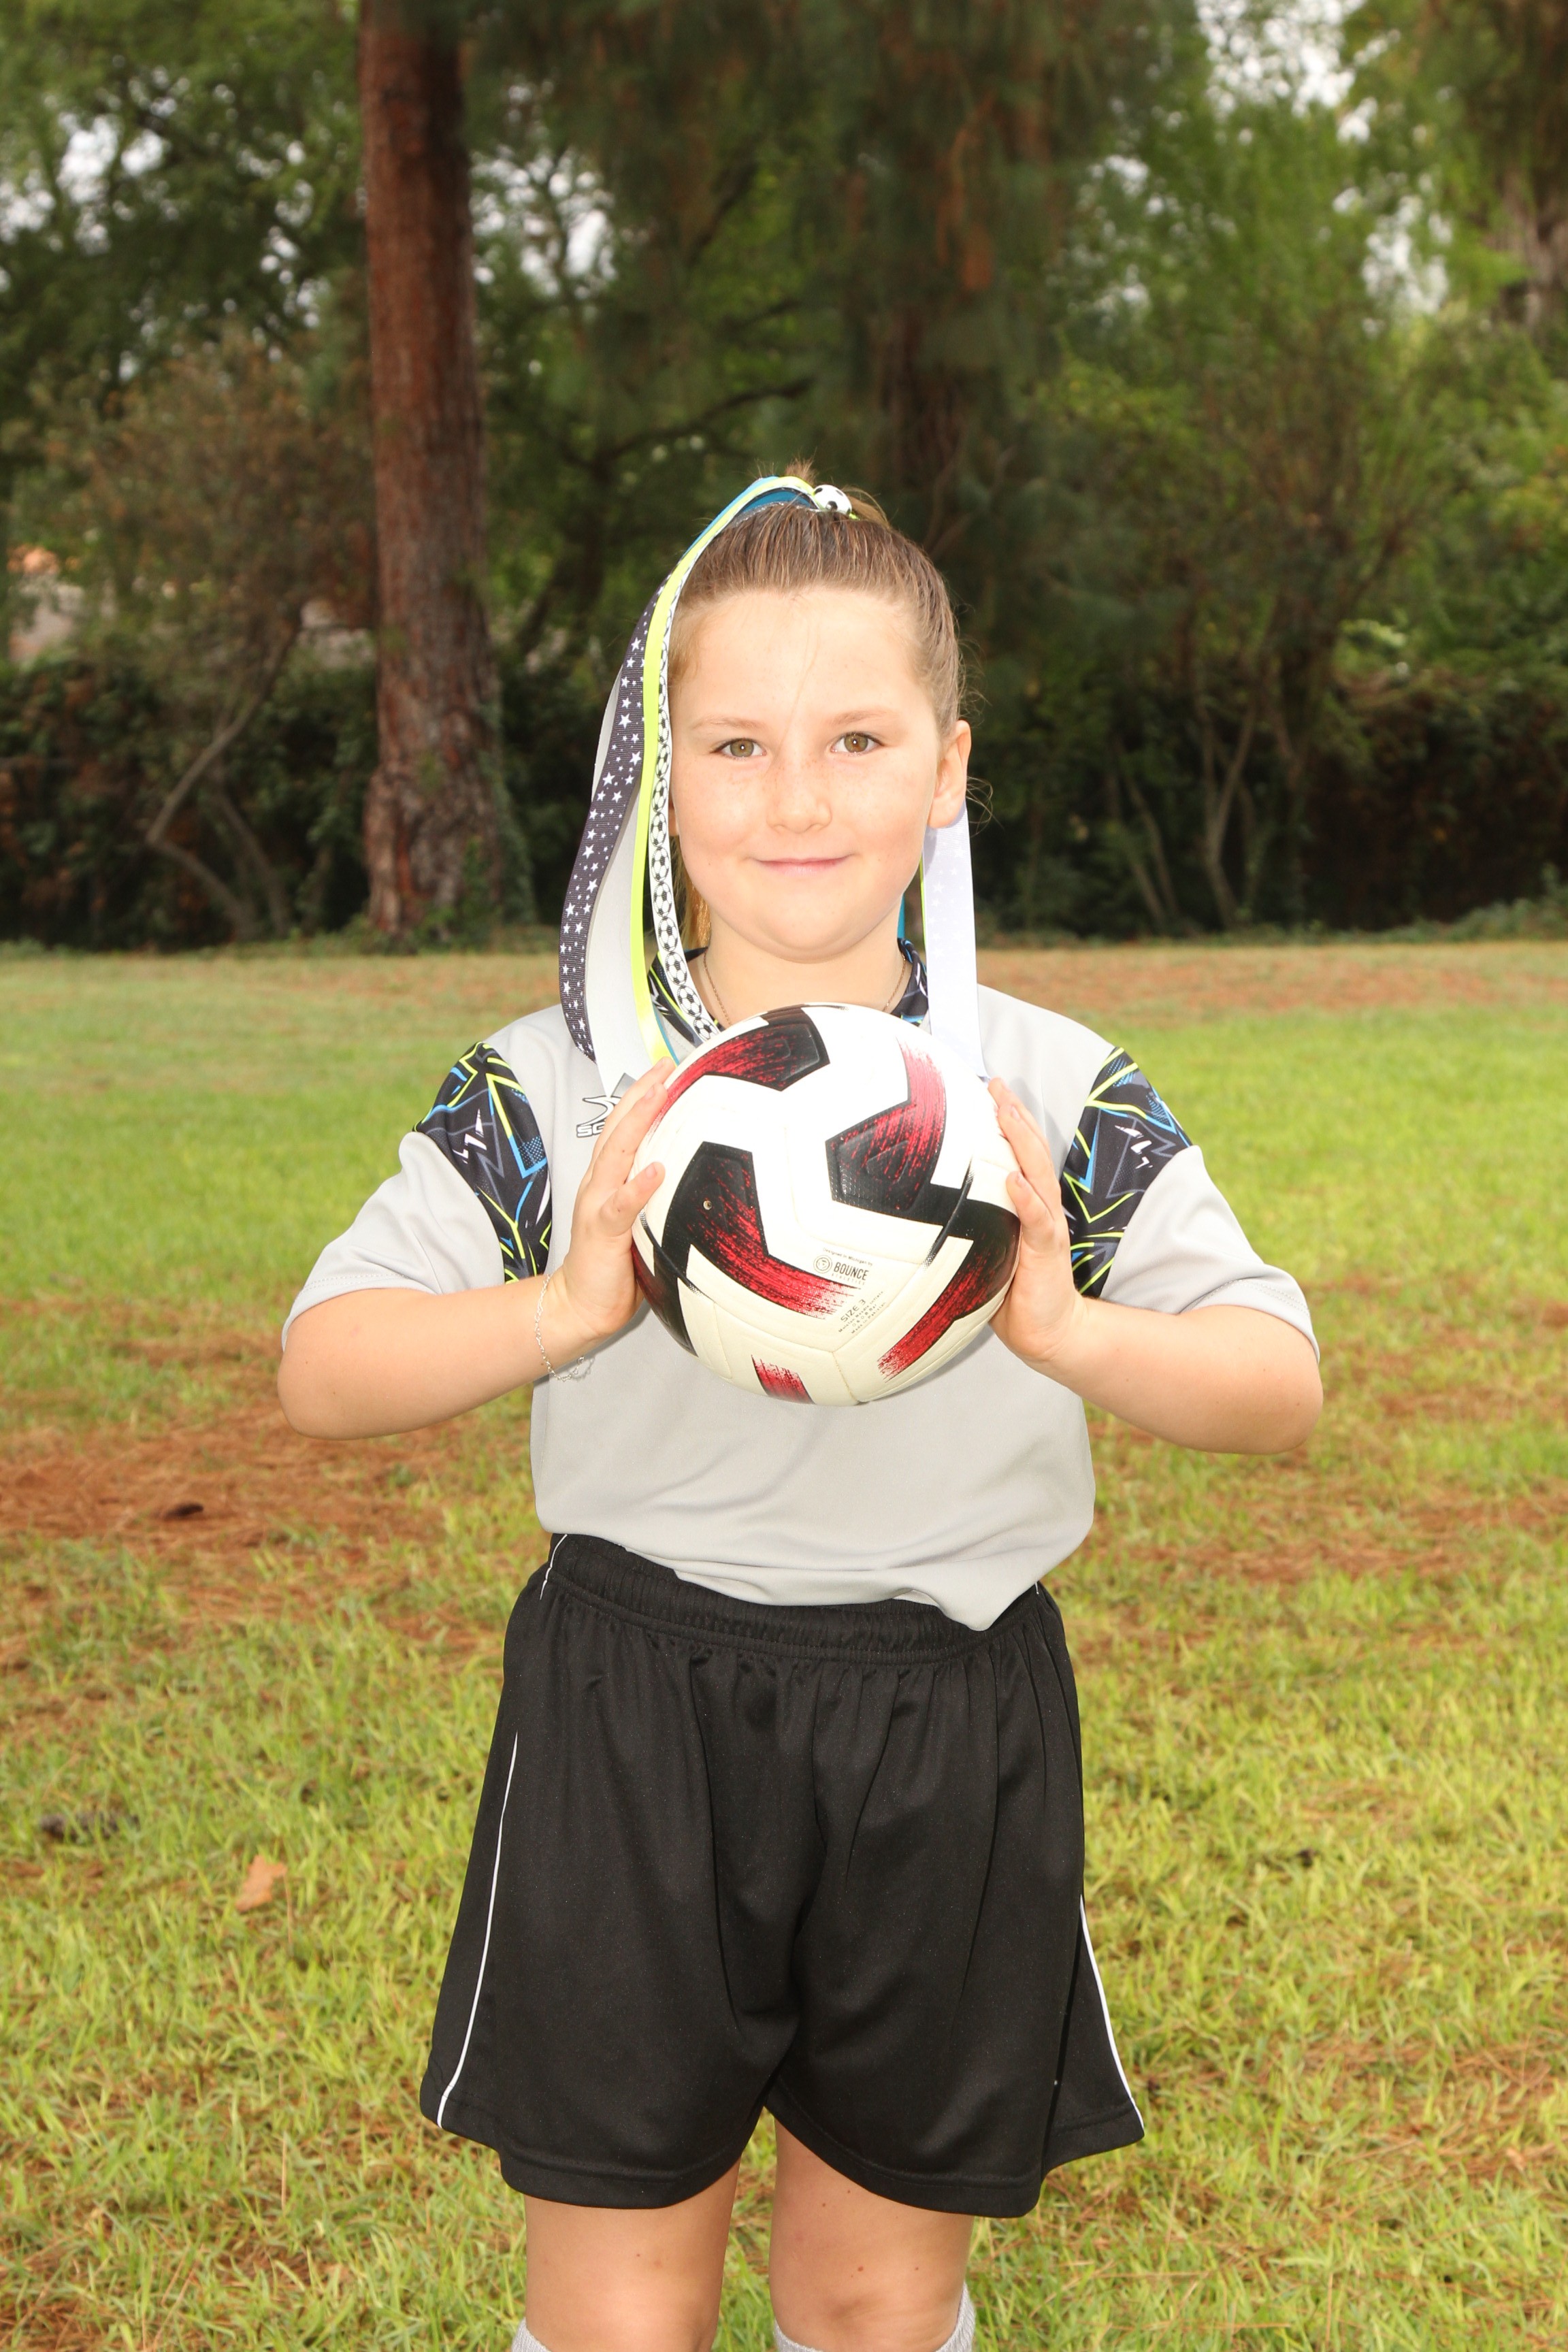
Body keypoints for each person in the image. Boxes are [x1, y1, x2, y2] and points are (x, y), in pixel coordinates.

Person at [278, 472, 1321, 2352]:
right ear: (661, 775)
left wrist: (1065, 1326)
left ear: (950, 767)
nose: (797, 798)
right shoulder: (566, 1081)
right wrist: (565, 1305)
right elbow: (325, 1363)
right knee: (622, 2309)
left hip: (951, 1712)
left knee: (870, 2304)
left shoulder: (1038, 1087)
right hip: (634, 1708)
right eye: (737, 744)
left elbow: (1277, 1384)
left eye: (858, 739)